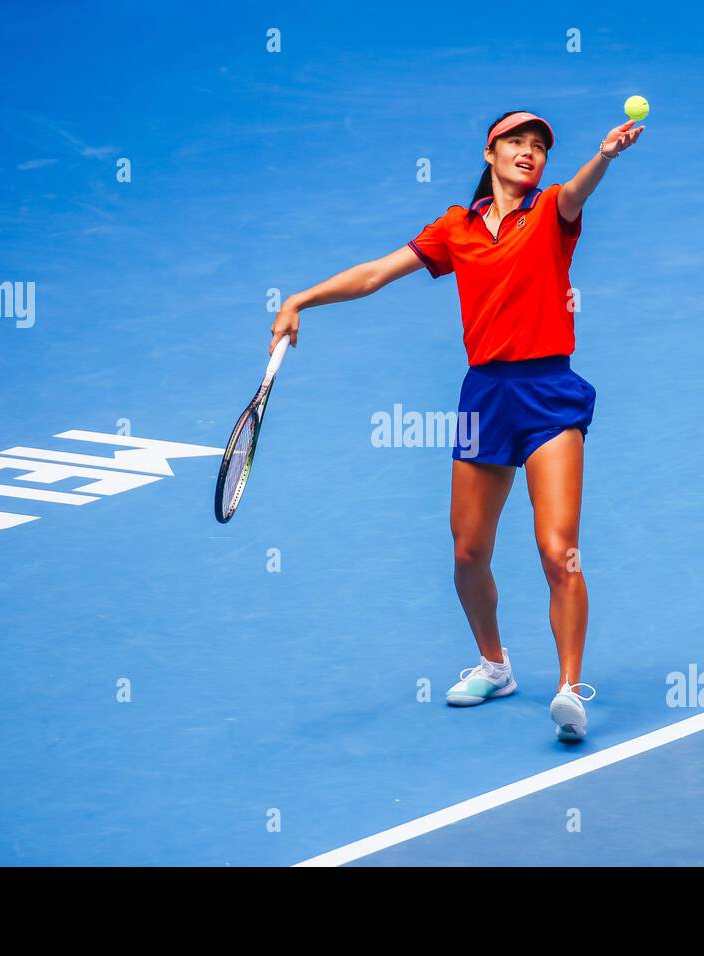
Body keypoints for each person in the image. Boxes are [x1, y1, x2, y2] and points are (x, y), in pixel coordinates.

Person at [268, 110, 643, 741]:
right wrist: (300, 299)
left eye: (539, 147)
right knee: (468, 553)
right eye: (516, 143)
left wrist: (604, 155)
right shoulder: (456, 227)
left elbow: (578, 190)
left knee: (558, 550)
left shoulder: (553, 209)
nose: (529, 153)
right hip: (485, 398)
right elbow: (374, 275)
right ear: (490, 153)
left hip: (549, 394)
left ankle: (569, 688)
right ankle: (495, 665)